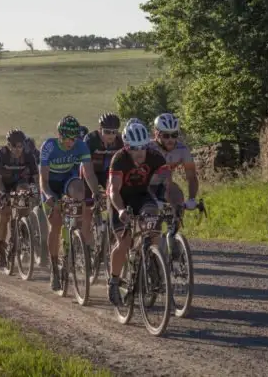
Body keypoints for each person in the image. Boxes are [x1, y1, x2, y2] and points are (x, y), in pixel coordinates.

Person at [106, 122, 172, 306]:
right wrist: (120, 210)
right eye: (135, 148)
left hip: (142, 196)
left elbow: (167, 185)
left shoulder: (155, 156)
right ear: (127, 147)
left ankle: (152, 262)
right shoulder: (119, 159)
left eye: (143, 146)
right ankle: (113, 281)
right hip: (120, 198)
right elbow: (114, 191)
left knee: (153, 227)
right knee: (125, 241)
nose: (140, 152)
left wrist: (173, 204)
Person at [39, 115, 102, 291]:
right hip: (50, 184)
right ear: (60, 135)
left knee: (80, 190)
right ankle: (53, 267)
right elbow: (43, 180)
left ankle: (76, 233)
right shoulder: (48, 147)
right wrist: (49, 196)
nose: (71, 142)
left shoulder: (81, 145)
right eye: (68, 138)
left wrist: (96, 193)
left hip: (68, 179)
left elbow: (89, 174)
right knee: (56, 223)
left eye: (74, 138)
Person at [0, 129, 39, 268]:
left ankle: (23, 233)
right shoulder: (1, 154)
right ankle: (1, 250)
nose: (18, 149)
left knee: (24, 205)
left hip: (20, 184)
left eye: (20, 146)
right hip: (4, 186)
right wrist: (3, 194)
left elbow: (36, 178)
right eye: (14, 146)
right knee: (5, 215)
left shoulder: (28, 155)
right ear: (8, 145)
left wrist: (36, 192)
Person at [80, 112, 124, 253]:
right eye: (107, 132)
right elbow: (88, 170)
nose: (111, 135)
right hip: (90, 171)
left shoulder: (120, 141)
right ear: (100, 130)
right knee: (87, 210)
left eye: (114, 131)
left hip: (107, 173)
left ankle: (111, 232)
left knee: (115, 198)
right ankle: (87, 246)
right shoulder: (90, 140)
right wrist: (95, 191)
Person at [148, 113, 199, 213]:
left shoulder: (182, 149)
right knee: (152, 216)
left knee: (178, 199)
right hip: (145, 186)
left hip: (165, 186)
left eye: (174, 135)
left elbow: (192, 177)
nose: (170, 139)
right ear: (156, 133)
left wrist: (192, 199)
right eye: (166, 135)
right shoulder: (148, 148)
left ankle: (175, 226)